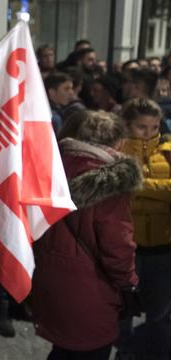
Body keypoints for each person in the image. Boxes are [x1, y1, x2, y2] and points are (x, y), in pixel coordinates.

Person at [33, 110, 141, 360]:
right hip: (90, 289)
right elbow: (118, 247)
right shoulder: (112, 182)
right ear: (119, 142)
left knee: (62, 349)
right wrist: (129, 283)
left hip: (50, 275)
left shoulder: (53, 165)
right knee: (88, 350)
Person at [118, 98, 171, 360]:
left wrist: (139, 185)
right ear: (127, 125)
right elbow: (118, 192)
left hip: (163, 246)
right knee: (123, 311)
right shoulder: (118, 152)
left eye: (154, 126)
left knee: (160, 313)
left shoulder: (169, 150)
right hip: (127, 246)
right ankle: (124, 353)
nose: (149, 132)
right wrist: (159, 191)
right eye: (141, 127)